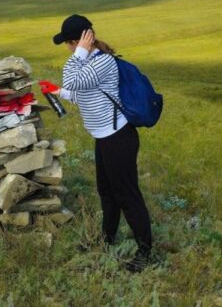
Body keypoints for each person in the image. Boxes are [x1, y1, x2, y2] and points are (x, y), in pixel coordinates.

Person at [50, 14, 153, 272]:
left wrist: (81, 53)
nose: (68, 48)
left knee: (127, 195)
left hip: (118, 138)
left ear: (79, 41)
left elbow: (72, 79)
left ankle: (145, 252)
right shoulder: (90, 63)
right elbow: (78, 92)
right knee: (107, 193)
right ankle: (107, 239)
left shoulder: (103, 62)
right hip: (104, 138)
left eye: (69, 43)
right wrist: (56, 92)